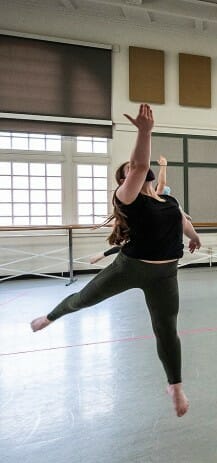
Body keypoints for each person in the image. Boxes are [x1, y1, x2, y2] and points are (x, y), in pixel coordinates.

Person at [30, 104, 202, 417]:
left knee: (167, 330)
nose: (133, 172)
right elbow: (137, 167)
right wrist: (145, 132)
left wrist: (194, 237)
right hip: (130, 268)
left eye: (134, 171)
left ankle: (175, 386)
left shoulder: (169, 200)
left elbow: (181, 220)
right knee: (85, 298)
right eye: (126, 174)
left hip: (166, 274)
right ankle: (52, 316)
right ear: (123, 182)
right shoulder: (127, 198)